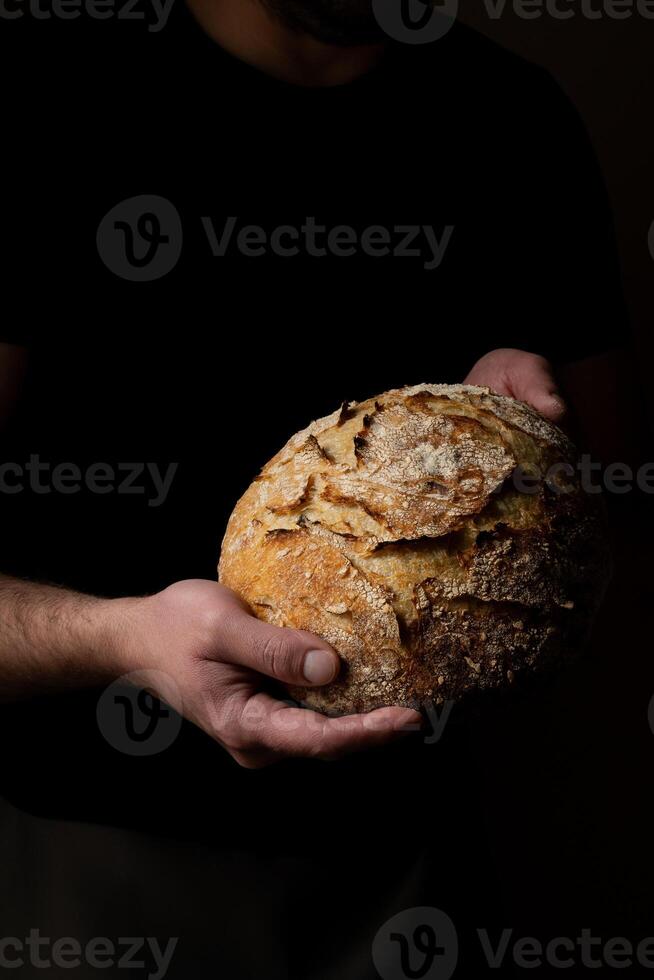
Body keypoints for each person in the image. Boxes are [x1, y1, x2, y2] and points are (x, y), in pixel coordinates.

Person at [0, 0, 631, 976]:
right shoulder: (45, 95)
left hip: (407, 866)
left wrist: (530, 450)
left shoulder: (513, 118)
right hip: (93, 865)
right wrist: (124, 637)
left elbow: (606, 512)